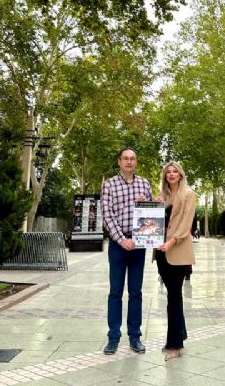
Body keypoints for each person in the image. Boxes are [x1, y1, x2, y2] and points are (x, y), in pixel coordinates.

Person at [101, 148, 153, 355]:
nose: (129, 162)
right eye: (125, 158)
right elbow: (107, 216)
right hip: (118, 243)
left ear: (136, 162)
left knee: (135, 292)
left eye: (132, 159)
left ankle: (135, 336)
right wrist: (122, 240)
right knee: (115, 292)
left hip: (139, 243)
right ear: (119, 161)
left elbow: (151, 214)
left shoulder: (145, 184)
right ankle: (113, 337)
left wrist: (149, 202)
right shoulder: (110, 185)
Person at [155, 161, 196, 361]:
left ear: (180, 175)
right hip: (161, 251)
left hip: (177, 250)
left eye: (175, 172)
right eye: (168, 172)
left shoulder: (188, 194)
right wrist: (147, 203)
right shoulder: (162, 197)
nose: (171, 174)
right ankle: (180, 335)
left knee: (174, 296)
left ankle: (175, 344)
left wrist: (171, 242)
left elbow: (186, 224)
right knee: (172, 296)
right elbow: (152, 221)